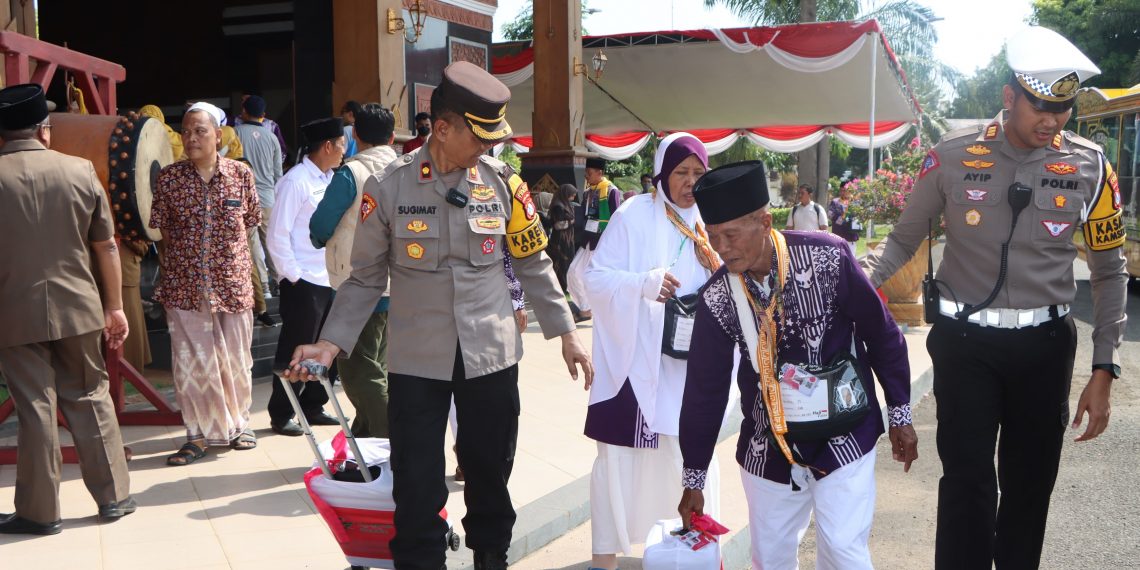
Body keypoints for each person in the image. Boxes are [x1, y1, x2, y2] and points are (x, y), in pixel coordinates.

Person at [282, 61, 593, 570]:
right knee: (416, 481)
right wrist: (329, 343)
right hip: (417, 360)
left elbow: (533, 261)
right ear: (443, 129)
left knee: (490, 473)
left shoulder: (503, 183)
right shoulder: (388, 187)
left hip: (490, 354)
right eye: (480, 136)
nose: (489, 147)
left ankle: (491, 557)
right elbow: (364, 278)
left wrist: (566, 332)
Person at [865, 26, 1127, 569]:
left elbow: (1109, 270)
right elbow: (902, 241)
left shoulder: (1092, 167)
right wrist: (852, 282)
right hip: (966, 344)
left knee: (1030, 488)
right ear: (1010, 97)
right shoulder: (952, 156)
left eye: (1063, 108)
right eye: (1041, 106)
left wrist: (1105, 367)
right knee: (967, 485)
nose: (1053, 120)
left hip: (1046, 348)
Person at [677, 160, 918, 569]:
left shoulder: (828, 257)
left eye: (731, 235)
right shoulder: (717, 298)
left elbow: (881, 333)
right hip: (768, 447)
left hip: (844, 435)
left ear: (764, 222)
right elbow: (705, 389)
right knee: (769, 559)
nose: (722, 248)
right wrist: (693, 477)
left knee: (843, 552)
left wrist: (900, 413)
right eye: (713, 237)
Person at [0, 83, 136, 535]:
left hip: (13, 312)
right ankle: (114, 497)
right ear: (45, 130)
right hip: (79, 306)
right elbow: (107, 246)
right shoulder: (79, 170)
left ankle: (40, 513)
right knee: (90, 395)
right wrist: (115, 306)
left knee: (35, 408)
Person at [582, 133, 724, 568]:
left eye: (698, 173)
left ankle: (693, 553)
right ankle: (605, 558)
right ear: (661, 173)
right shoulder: (633, 215)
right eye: (681, 172)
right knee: (619, 460)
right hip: (636, 361)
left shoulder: (713, 220)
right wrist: (643, 284)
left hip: (688, 368)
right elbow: (594, 278)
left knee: (687, 459)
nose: (690, 182)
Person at [151, 101, 261, 465]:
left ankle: (239, 425)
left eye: (200, 131)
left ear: (218, 135)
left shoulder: (240, 175)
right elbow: (164, 231)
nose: (191, 138)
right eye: (186, 132)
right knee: (192, 364)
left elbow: (250, 223)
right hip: (184, 287)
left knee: (236, 359)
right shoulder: (169, 179)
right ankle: (196, 435)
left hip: (232, 284)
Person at [309, 103, 399, 438]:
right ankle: (365, 435)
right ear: (392, 137)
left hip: (357, 284)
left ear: (355, 134)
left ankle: (391, 435)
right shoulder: (407, 171)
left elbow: (321, 224)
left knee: (358, 369)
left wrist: (320, 240)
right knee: (379, 364)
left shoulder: (351, 173)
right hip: (400, 281)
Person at [266, 117, 347, 436]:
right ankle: (282, 412)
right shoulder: (295, 181)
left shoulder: (332, 179)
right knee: (295, 346)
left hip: (330, 277)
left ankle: (314, 405)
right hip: (304, 280)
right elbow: (277, 234)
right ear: (326, 146)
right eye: (341, 145)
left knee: (328, 344)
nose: (343, 151)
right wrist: (293, 276)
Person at [235, 95, 284, 326]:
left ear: (244, 112)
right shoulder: (271, 137)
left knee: (252, 244)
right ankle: (280, 281)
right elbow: (278, 173)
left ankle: (263, 286)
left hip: (244, 198)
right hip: (268, 197)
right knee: (272, 242)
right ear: (263, 114)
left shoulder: (235, 133)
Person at [567, 157, 622, 321]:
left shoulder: (611, 191)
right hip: (588, 241)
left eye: (589, 173)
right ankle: (586, 308)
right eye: (585, 173)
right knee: (573, 272)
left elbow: (617, 218)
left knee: (599, 278)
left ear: (600, 172)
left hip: (603, 243)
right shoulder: (587, 192)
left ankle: (601, 310)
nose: (586, 176)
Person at [547, 183, 579, 293]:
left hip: (567, 240)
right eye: (572, 195)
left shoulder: (566, 204)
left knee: (567, 263)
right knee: (561, 263)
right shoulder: (558, 206)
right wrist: (572, 221)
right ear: (566, 193)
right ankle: (560, 287)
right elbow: (558, 225)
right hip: (560, 241)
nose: (573, 197)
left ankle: (565, 286)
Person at [829, 184, 861, 255]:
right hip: (838, 237)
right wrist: (842, 218)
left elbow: (859, 216)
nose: (843, 192)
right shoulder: (835, 202)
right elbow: (830, 215)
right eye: (841, 190)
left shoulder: (855, 202)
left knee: (851, 259)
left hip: (851, 237)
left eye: (845, 190)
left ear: (849, 191)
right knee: (839, 259)